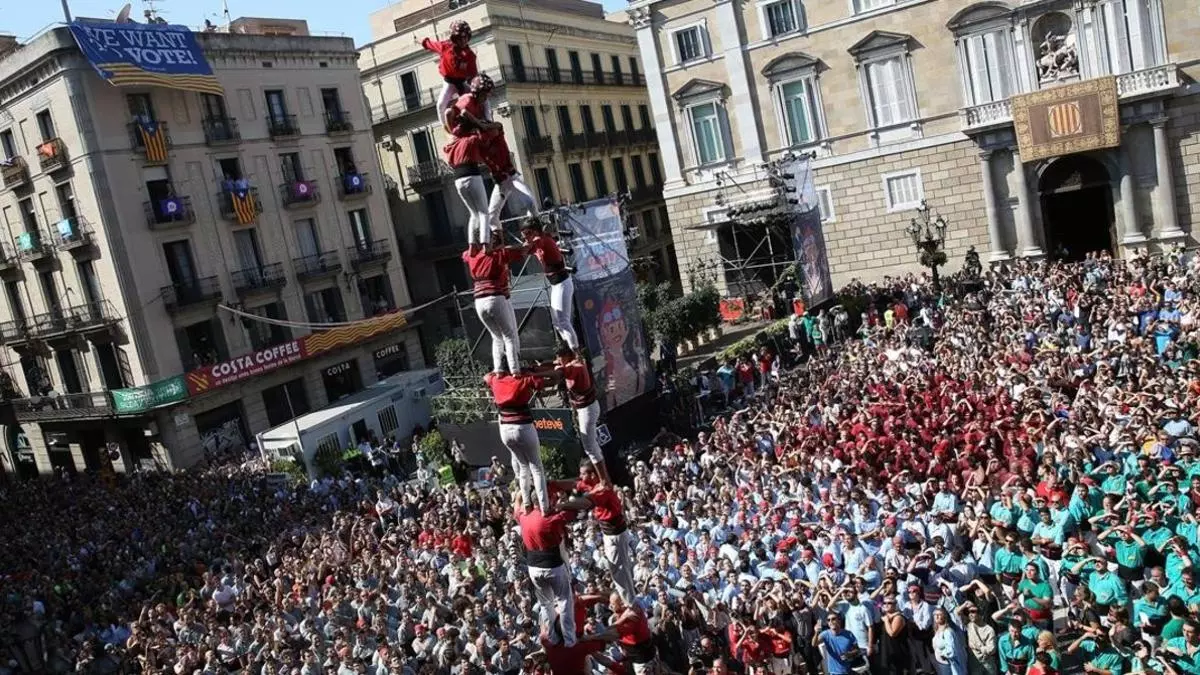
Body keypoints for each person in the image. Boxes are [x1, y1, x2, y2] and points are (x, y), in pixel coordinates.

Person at [515, 492, 587, 649]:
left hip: (534, 568)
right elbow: (578, 509)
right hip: (552, 566)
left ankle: (553, 638)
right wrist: (560, 505)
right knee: (564, 602)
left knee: (545, 604)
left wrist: (520, 493)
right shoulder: (550, 518)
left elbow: (516, 507)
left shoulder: (524, 517)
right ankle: (569, 640)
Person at [485, 367, 552, 511]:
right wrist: (530, 371)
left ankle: (527, 503)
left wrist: (497, 372)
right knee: (536, 468)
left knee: (523, 467)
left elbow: (486, 377)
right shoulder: (523, 378)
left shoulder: (495, 379)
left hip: (506, 430)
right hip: (523, 426)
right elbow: (540, 383)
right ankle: (545, 507)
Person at [464, 230, 524, 373]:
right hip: (495, 297)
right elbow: (520, 251)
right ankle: (515, 370)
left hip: (478, 301)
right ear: (488, 241)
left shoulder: (472, 256)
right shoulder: (498, 255)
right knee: (508, 335)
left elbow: (466, 254)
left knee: (496, 337)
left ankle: (498, 370)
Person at [523, 219, 579, 351]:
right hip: (555, 285)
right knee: (557, 323)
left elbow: (535, 243)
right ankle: (568, 348)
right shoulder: (536, 243)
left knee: (563, 320)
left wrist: (529, 241)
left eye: (526, 233)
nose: (524, 237)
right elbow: (524, 250)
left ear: (534, 231)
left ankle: (576, 352)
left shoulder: (543, 240)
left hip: (562, 283)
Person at [553, 346, 607, 481]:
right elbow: (554, 366)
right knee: (591, 445)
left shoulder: (576, 366)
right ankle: (599, 477)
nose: (557, 361)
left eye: (559, 358)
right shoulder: (571, 364)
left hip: (587, 409)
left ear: (566, 356)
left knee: (590, 447)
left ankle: (604, 479)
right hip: (584, 409)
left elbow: (559, 373)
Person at [420, 20, 477, 132]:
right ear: (455, 38)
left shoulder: (470, 55)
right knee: (440, 105)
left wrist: (475, 90)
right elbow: (430, 44)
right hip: (449, 83)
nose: (463, 40)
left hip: (462, 83)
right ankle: (447, 130)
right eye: (460, 38)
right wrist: (420, 40)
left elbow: (473, 75)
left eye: (465, 37)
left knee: (479, 101)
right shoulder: (445, 47)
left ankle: (484, 121)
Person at [611, 591, 658, 674]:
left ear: (622, 603)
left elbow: (610, 633)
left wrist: (592, 637)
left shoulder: (631, 618)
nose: (610, 606)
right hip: (635, 657)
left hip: (643, 662)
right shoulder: (617, 617)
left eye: (613, 604)